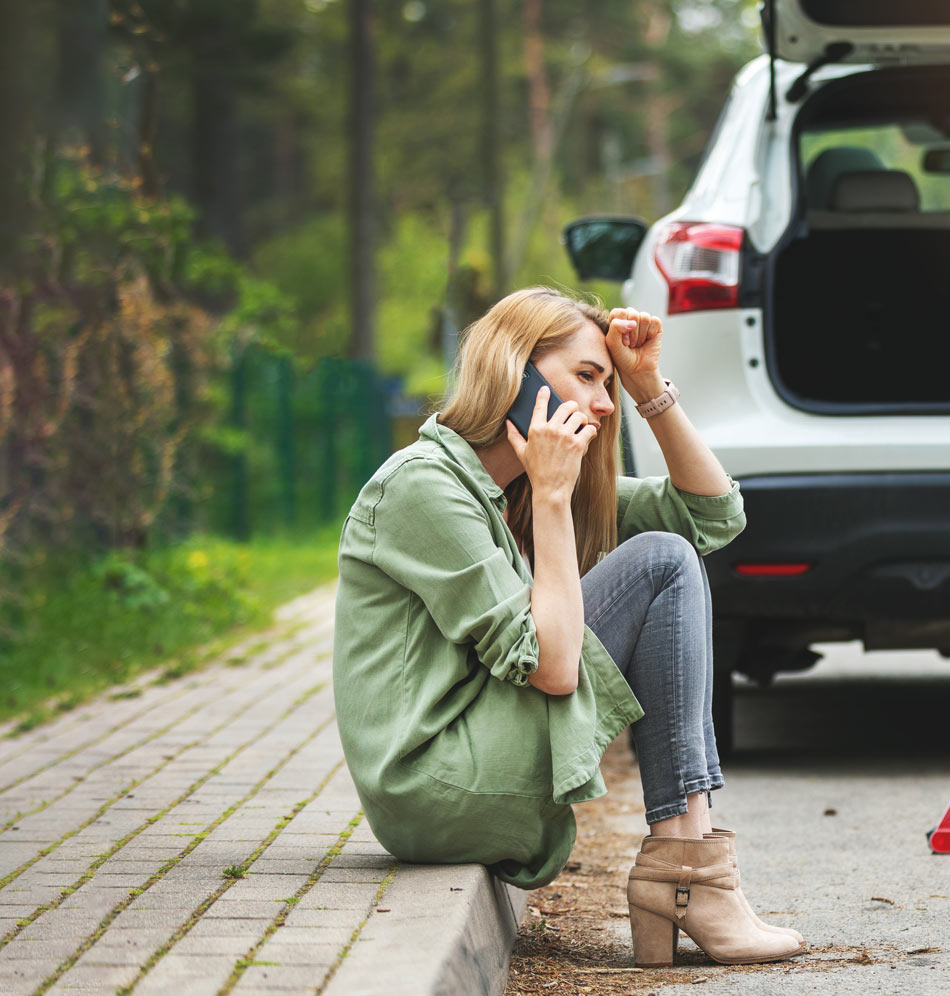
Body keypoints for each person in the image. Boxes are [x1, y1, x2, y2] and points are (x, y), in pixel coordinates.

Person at [331, 286, 804, 967]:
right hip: (433, 786)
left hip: (472, 753)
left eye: (607, 384)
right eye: (587, 376)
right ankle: (688, 876)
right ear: (514, 373)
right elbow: (551, 668)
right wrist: (553, 501)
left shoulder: (518, 486)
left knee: (673, 551)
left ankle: (689, 872)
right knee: (660, 565)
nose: (604, 404)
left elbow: (714, 518)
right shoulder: (423, 487)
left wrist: (648, 388)